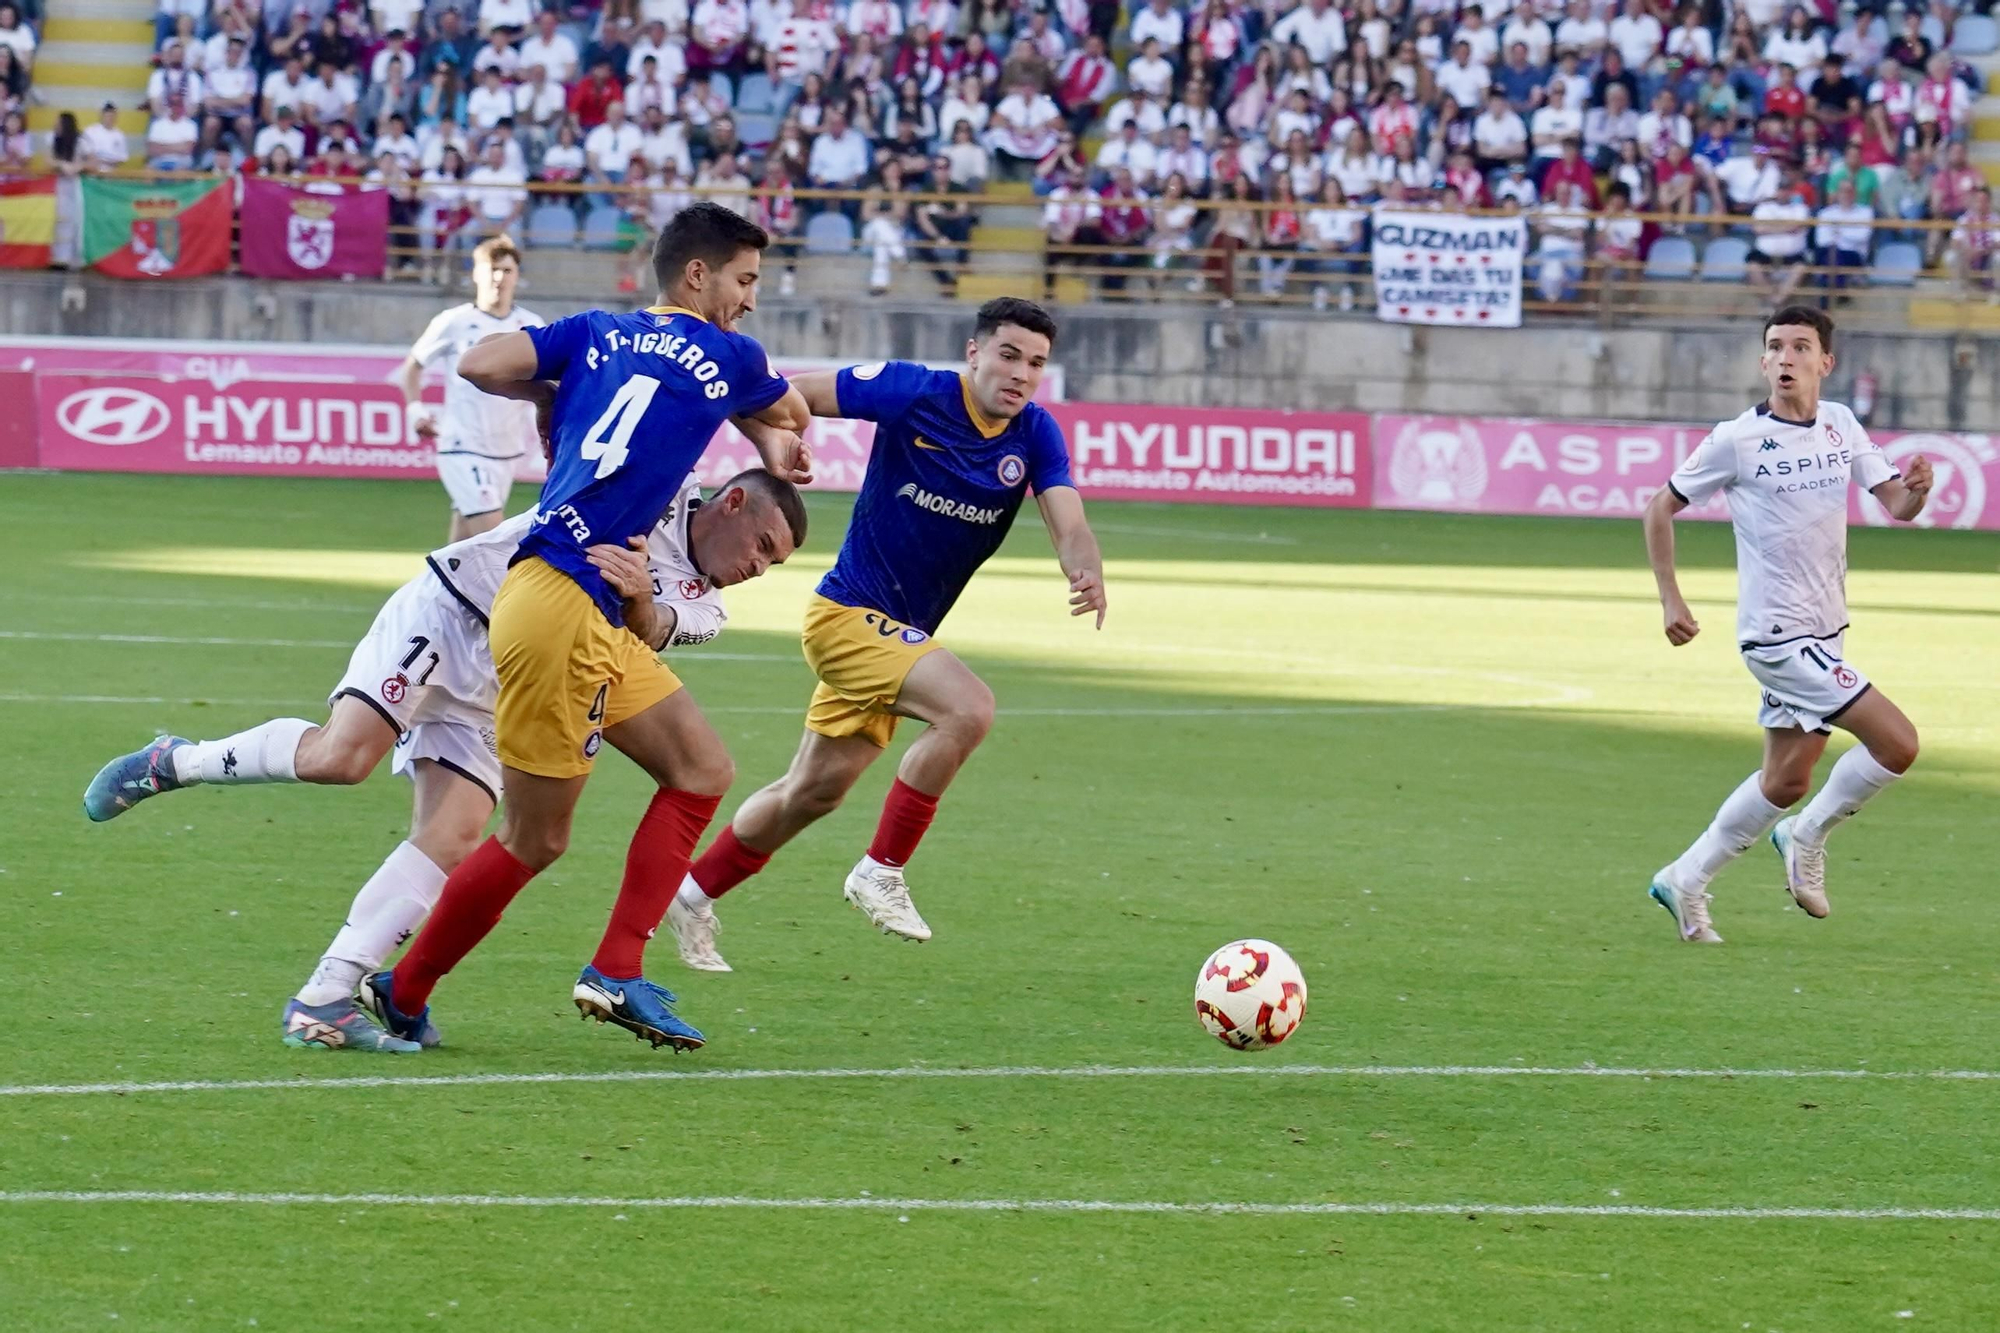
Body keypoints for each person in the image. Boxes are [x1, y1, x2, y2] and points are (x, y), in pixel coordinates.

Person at [83, 470, 801, 1051]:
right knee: (343, 756)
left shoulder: (707, 607)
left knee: (455, 831)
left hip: (510, 678)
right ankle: (176, 761)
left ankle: (327, 997)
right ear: (732, 500)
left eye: (773, 563)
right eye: (762, 545)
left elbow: (652, 629)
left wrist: (641, 598)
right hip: (454, 611)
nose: (757, 568)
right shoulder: (657, 480)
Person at [361, 203, 812, 1049]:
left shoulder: (596, 330)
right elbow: (793, 417)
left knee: (702, 766)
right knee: (535, 836)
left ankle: (615, 965)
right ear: (697, 275)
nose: (750, 299)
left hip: (570, 600)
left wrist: (558, 392)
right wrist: (771, 435)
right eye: (745, 280)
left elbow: (482, 363)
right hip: (561, 607)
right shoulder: (731, 354)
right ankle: (408, 984)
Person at [670, 298, 1106, 971]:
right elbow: (787, 394)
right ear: (974, 352)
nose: (1021, 373)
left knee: (808, 793)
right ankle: (881, 869)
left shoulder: (1036, 434)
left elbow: (1067, 520)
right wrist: (771, 434)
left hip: (894, 637)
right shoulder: (915, 392)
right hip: (846, 617)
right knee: (968, 708)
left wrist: (1083, 566)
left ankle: (690, 895)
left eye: (1037, 363)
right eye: (1009, 354)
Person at [1641, 306, 1932, 944]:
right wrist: (1671, 599)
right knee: (1898, 743)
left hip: (1826, 631)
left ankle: (1684, 878)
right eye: (1775, 347)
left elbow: (1899, 506)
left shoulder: (1841, 424)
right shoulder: (1737, 439)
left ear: (1825, 363)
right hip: (1778, 638)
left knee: (1786, 779)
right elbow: (1659, 506)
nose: (1786, 358)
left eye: (1801, 347)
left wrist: (1918, 490)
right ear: (1763, 361)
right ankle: (1806, 834)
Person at [393, 236, 545, 540]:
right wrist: (416, 412)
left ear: (517, 276)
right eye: (492, 269)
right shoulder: (455, 321)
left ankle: (437, 588)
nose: (499, 278)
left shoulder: (530, 324)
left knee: (460, 552)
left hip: (505, 450)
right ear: (475, 273)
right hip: (462, 446)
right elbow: (412, 367)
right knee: (493, 545)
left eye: (507, 270)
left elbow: (545, 383)